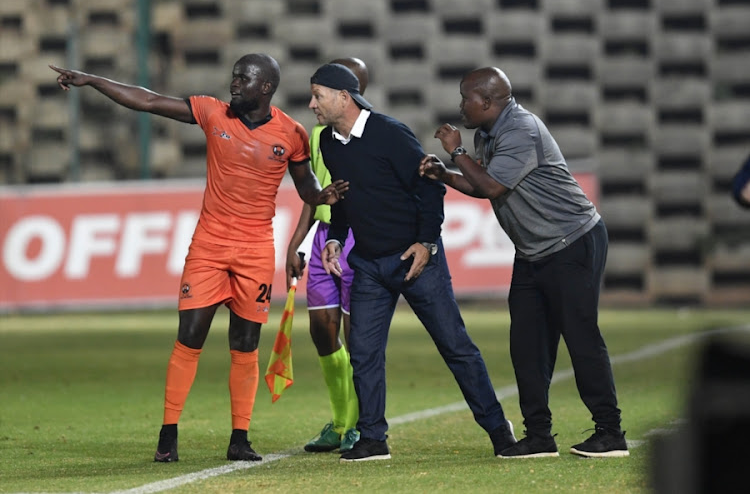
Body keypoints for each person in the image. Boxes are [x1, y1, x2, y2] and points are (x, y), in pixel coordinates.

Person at [50, 54, 348, 463]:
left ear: (266, 88)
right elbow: (149, 101)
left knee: (245, 344)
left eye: (244, 78)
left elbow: (306, 185)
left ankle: (239, 438)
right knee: (189, 334)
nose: (234, 83)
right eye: (234, 75)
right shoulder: (211, 112)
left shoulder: (291, 133)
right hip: (209, 246)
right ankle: (168, 432)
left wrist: (321, 197)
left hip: (255, 250)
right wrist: (93, 80)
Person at [308, 63, 517, 462]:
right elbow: (344, 200)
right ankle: (372, 438)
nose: (311, 103)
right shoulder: (329, 143)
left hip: (415, 260)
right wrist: (335, 238)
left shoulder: (390, 133)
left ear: (342, 97)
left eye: (317, 95)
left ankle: (498, 430)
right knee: (364, 353)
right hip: (368, 264)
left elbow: (429, 189)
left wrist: (425, 243)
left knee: (455, 346)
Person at [419, 67, 628, 459]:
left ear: (487, 101)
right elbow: (484, 185)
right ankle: (538, 436)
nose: (461, 105)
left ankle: (610, 432)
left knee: (580, 337)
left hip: (572, 242)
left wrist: (456, 151)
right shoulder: (488, 131)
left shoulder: (520, 129)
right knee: (527, 344)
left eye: (466, 98)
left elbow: (492, 186)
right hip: (533, 252)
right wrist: (443, 174)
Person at [285, 58, 368, 454]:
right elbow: (315, 195)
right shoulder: (318, 137)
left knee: (357, 337)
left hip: (357, 239)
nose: (314, 102)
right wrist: (297, 242)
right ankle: (341, 423)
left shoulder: (372, 135)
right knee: (322, 331)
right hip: (322, 238)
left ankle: (356, 423)